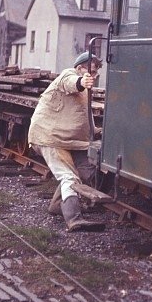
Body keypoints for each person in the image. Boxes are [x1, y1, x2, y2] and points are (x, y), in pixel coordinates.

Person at [28, 51, 105, 232]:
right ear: (80, 68)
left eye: (95, 74)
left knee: (85, 169)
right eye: (91, 72)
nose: (93, 77)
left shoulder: (86, 92)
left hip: (69, 140)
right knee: (68, 176)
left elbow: (85, 117)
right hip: (50, 137)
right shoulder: (68, 75)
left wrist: (97, 132)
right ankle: (74, 219)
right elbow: (71, 83)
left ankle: (56, 206)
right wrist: (81, 82)